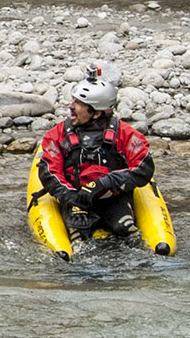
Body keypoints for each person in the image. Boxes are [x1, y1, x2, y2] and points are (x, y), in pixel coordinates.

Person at [35, 63, 153, 239]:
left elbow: (143, 168)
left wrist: (105, 182)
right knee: (78, 235)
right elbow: (49, 172)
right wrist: (71, 198)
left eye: (79, 103)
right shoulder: (57, 135)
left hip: (113, 198)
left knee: (123, 228)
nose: (71, 106)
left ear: (96, 113)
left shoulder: (125, 134)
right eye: (73, 100)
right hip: (75, 198)